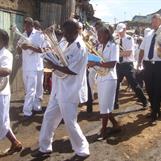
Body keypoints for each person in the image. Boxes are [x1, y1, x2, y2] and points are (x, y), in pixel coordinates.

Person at [31, 20, 90, 159]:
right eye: (64, 32)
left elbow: (72, 70)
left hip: (70, 91)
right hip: (58, 89)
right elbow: (58, 57)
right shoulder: (64, 41)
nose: (65, 35)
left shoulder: (80, 47)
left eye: (68, 33)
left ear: (77, 31)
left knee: (70, 122)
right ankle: (45, 147)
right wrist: (49, 56)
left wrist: (53, 65)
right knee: (49, 117)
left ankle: (83, 150)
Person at [88, 26, 120, 140]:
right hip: (101, 77)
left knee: (104, 107)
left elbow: (112, 64)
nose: (98, 37)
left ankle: (104, 131)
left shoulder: (114, 45)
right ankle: (116, 125)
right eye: (98, 35)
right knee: (104, 105)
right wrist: (91, 61)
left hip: (110, 78)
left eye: (100, 35)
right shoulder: (100, 46)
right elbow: (98, 60)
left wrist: (95, 64)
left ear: (107, 34)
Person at [17, 17, 47, 120]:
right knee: (30, 89)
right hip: (26, 66)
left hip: (37, 66)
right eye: (24, 25)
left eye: (28, 25)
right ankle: (32, 108)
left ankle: (29, 111)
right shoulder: (23, 35)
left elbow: (43, 50)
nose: (26, 27)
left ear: (32, 25)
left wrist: (29, 47)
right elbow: (18, 51)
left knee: (36, 89)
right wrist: (20, 46)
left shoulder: (39, 34)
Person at [114, 23, 147, 109]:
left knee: (134, 84)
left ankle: (144, 101)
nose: (119, 33)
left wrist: (115, 54)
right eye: (118, 32)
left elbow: (128, 53)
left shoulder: (129, 38)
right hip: (119, 65)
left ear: (125, 30)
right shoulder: (116, 39)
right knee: (115, 84)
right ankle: (115, 104)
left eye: (121, 31)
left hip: (128, 65)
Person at [0, 29, 22, 154]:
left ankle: (15, 143)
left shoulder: (6, 54)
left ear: (2, 41)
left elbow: (7, 71)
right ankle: (15, 143)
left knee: (2, 122)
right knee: (2, 121)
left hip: (1, 92)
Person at [138, 14, 161, 124]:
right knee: (149, 88)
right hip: (147, 64)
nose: (154, 23)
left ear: (160, 21)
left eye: (156, 21)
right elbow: (142, 49)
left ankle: (154, 113)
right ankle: (155, 108)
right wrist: (139, 62)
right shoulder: (149, 34)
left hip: (158, 64)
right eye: (152, 21)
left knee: (157, 89)